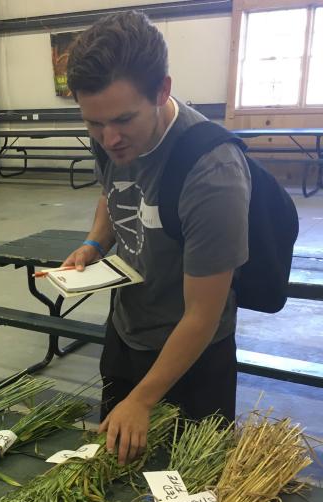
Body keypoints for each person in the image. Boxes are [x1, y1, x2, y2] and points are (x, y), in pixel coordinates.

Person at [62, 11, 251, 464]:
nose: (109, 139)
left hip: (192, 353)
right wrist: (94, 243)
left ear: (162, 91)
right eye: (93, 124)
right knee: (115, 472)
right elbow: (113, 190)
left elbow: (202, 315)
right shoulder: (111, 132)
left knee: (189, 485)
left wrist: (143, 400)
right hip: (128, 331)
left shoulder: (213, 171)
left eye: (123, 121)